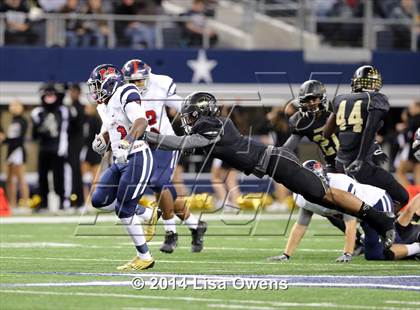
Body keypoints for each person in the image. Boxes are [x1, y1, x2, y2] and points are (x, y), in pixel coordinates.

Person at [141, 91, 396, 248]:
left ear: (203, 113)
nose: (188, 120)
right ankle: (375, 222)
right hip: (274, 163)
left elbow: (183, 143)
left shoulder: (212, 125)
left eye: (191, 115)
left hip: (275, 161)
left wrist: (149, 136)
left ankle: (381, 220)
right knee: (320, 197)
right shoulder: (211, 123)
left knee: (324, 195)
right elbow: (184, 142)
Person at [121, 59, 207, 254]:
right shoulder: (123, 94)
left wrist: (196, 126)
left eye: (140, 81)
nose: (136, 86)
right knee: (167, 192)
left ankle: (170, 233)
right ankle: (195, 225)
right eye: (132, 82)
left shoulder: (160, 85)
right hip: (142, 145)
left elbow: (183, 106)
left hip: (165, 142)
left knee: (158, 183)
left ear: (148, 77)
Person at [269, 160, 420, 262]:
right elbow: (300, 225)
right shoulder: (302, 196)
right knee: (376, 252)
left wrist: (347, 253)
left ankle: (417, 245)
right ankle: (409, 238)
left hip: (377, 204)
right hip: (362, 214)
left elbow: (351, 221)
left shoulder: (340, 184)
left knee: (382, 253)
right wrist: (286, 254)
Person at [88, 64, 158, 271]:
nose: (95, 90)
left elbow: (140, 122)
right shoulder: (105, 105)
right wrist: (102, 141)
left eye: (97, 85)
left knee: (123, 209)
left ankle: (144, 256)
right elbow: (112, 130)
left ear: (110, 82)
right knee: (99, 200)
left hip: (137, 155)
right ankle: (146, 212)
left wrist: (126, 142)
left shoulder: (125, 92)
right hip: (120, 160)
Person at [324, 65, 409, 211]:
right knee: (401, 196)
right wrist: (360, 159)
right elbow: (369, 129)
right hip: (361, 166)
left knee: (362, 202)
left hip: (340, 163)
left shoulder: (339, 99)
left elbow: (326, 133)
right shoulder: (376, 98)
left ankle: (372, 225)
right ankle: (384, 226)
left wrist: (348, 126)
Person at [31, 83, 70, 211]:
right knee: (42, 177)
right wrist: (39, 128)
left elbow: (65, 130)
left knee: (59, 177)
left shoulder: (62, 110)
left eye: (51, 94)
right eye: (46, 94)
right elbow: (34, 135)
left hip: (58, 148)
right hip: (44, 148)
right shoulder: (38, 112)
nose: (49, 96)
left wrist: (62, 148)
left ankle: (62, 202)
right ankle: (43, 203)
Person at [3, 100, 30, 209]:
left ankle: (25, 204)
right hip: (10, 151)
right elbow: (10, 138)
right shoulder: (13, 121)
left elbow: (19, 139)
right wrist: (4, 140)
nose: (12, 108)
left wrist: (5, 139)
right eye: (11, 106)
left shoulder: (22, 121)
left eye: (15, 105)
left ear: (21, 107)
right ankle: (12, 204)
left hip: (18, 151)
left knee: (21, 179)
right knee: (9, 179)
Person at [80, 103, 102, 205]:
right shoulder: (85, 120)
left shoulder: (97, 121)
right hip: (88, 150)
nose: (86, 108)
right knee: (86, 177)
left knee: (95, 178)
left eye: (88, 107)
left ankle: (94, 200)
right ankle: (87, 200)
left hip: (94, 150)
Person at [67, 83, 85, 208]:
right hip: (69, 143)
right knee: (71, 171)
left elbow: (78, 126)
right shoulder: (68, 107)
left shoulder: (80, 108)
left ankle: (78, 200)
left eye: (74, 92)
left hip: (77, 143)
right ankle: (73, 199)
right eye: (71, 92)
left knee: (76, 171)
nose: (72, 94)